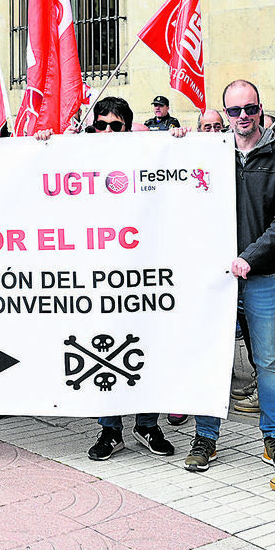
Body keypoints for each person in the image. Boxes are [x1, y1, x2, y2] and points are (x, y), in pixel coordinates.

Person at [182, 81, 275, 477]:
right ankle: (206, 437)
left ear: (260, 109)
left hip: (262, 275)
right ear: (225, 115)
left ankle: (274, 438)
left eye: (249, 108)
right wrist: (177, 141)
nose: (242, 116)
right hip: (215, 278)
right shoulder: (208, 154)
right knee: (211, 357)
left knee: (267, 360)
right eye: (233, 111)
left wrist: (249, 258)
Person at [82, 97, 175, 461]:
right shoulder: (78, 158)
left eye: (115, 125)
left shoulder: (149, 156)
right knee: (105, 347)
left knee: (147, 347)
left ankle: (147, 424)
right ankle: (110, 429)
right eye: (100, 124)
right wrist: (44, 142)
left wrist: (180, 142)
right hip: (100, 278)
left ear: (129, 127)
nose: (107, 131)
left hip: (144, 276)